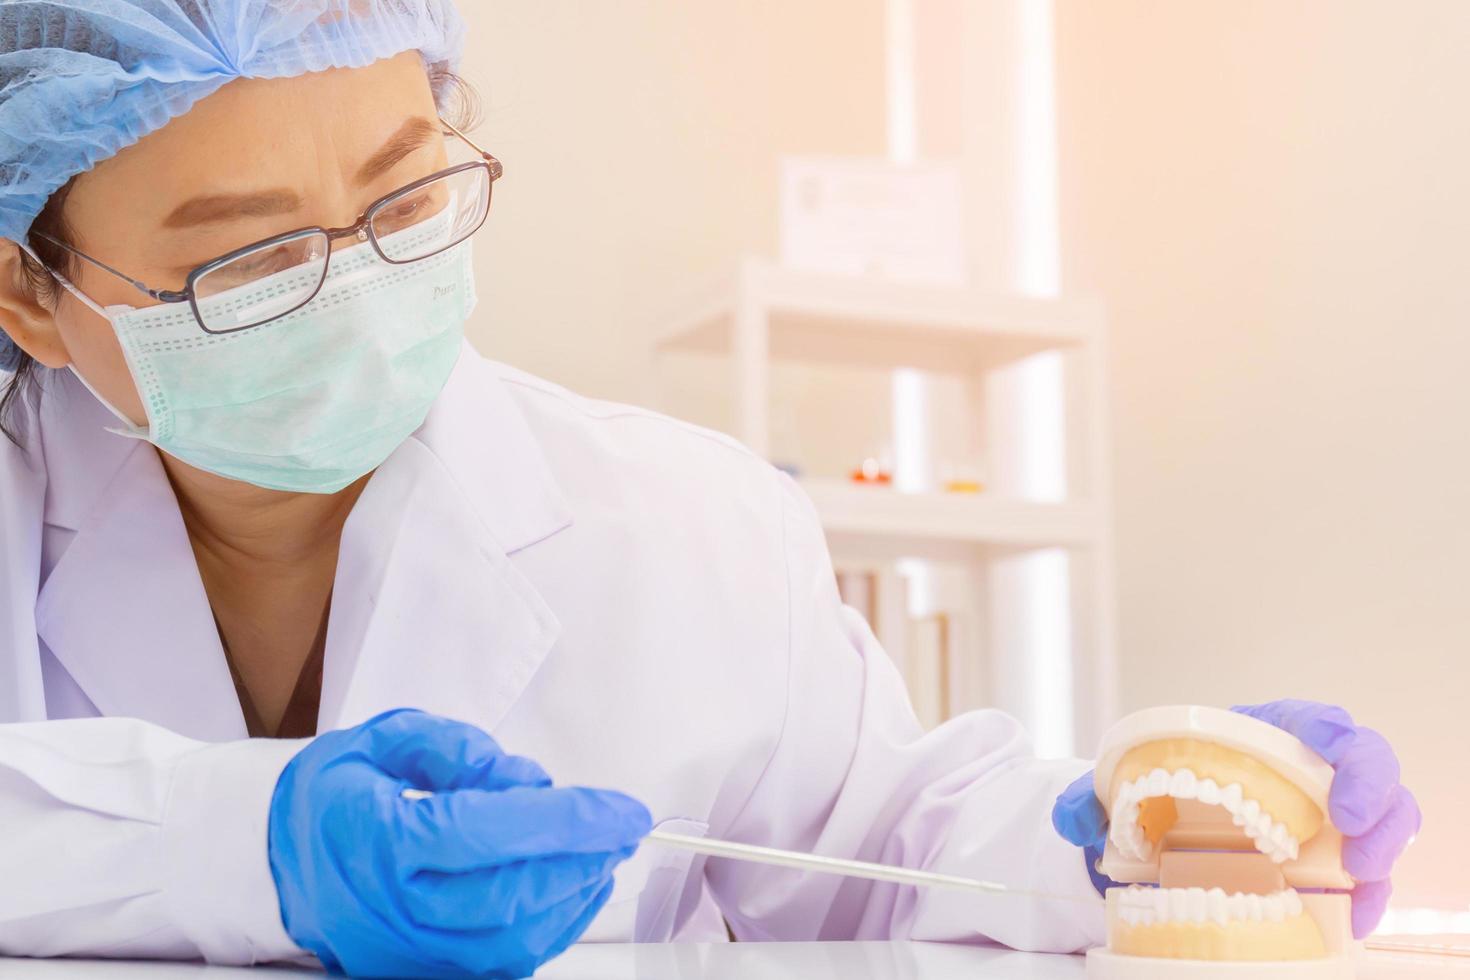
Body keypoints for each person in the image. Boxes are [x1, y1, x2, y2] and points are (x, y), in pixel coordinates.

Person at [0, 3, 1420, 979]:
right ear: (30, 289)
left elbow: (886, 850)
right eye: (246, 260)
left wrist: (1137, 841)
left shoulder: (688, 522)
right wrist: (240, 845)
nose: (357, 293)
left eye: (407, 198)